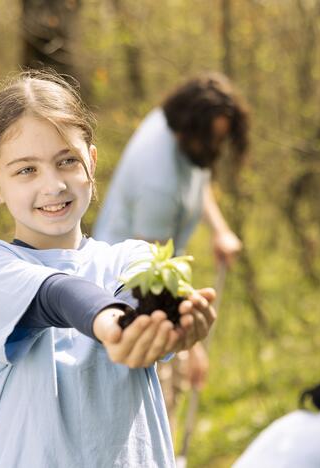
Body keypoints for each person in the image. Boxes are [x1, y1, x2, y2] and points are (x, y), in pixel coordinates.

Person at [0, 71, 217, 467]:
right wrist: (113, 324)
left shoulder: (132, 257)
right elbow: (56, 294)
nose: (53, 185)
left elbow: (144, 297)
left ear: (91, 161)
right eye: (26, 170)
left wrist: (174, 326)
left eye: (67, 161)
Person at [93, 72, 249, 422]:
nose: (217, 149)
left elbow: (199, 173)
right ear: (187, 132)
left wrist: (219, 230)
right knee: (154, 401)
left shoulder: (178, 129)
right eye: (212, 140)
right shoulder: (158, 182)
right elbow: (154, 280)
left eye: (221, 139)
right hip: (125, 293)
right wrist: (190, 346)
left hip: (154, 272)